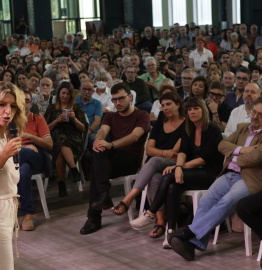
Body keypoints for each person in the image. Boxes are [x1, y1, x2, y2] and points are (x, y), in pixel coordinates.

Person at [168, 97, 262, 261]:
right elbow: (222, 146)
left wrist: (233, 156)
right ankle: (192, 244)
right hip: (229, 174)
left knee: (226, 202)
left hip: (249, 179)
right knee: (206, 201)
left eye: (260, 115)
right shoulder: (242, 128)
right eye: (254, 112)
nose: (255, 117)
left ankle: (189, 233)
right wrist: (242, 150)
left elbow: (256, 157)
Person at [130, 97, 223, 247]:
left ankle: (150, 212)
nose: (192, 112)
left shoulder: (213, 130)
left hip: (209, 174)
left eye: (196, 108)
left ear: (203, 110)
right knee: (172, 188)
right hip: (190, 173)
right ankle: (170, 232)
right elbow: (182, 152)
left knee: (168, 175)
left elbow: (204, 159)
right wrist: (179, 166)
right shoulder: (189, 128)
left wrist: (180, 168)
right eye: (189, 109)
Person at [111, 89, 185, 239]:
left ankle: (129, 199)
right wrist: (164, 153)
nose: (165, 108)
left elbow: (175, 152)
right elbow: (149, 149)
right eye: (162, 105)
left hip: (178, 163)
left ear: (178, 104)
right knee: (155, 177)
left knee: (154, 161)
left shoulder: (186, 124)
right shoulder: (159, 124)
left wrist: (161, 154)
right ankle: (160, 221)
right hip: (160, 162)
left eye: (169, 104)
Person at [80, 82, 150, 235]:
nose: (117, 103)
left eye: (121, 99)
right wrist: (99, 141)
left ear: (130, 97)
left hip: (130, 160)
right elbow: (102, 131)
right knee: (98, 156)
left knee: (96, 166)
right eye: (114, 100)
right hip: (109, 160)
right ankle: (103, 196)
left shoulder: (142, 115)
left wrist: (110, 145)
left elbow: (134, 137)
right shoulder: (111, 116)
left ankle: (94, 217)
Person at [0, 81, 26, 269]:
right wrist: (4, 154)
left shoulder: (7, 135)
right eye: (2, 104)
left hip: (7, 210)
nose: (8, 111)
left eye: (12, 106)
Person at [44, 82, 88, 197]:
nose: (65, 96)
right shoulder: (51, 108)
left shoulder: (76, 107)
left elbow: (83, 128)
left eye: (68, 94)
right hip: (55, 138)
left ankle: (61, 182)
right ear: (59, 94)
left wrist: (74, 119)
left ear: (71, 96)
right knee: (60, 139)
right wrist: (57, 120)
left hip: (74, 139)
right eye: (63, 93)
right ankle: (74, 170)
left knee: (62, 146)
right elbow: (45, 129)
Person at [18, 91, 53, 231]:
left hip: (37, 156)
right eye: (20, 100)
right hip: (19, 157)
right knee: (23, 170)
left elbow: (49, 144)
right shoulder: (10, 121)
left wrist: (29, 137)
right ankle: (27, 214)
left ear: (31, 104)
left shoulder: (38, 119)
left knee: (21, 154)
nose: (24, 104)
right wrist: (24, 146)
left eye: (26, 100)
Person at [75, 79, 103, 152]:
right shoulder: (74, 102)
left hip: (91, 132)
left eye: (89, 90)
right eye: (84, 89)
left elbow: (97, 121)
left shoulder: (97, 103)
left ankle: (95, 163)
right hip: (76, 131)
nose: (86, 92)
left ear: (93, 91)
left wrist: (87, 132)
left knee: (94, 140)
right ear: (80, 89)